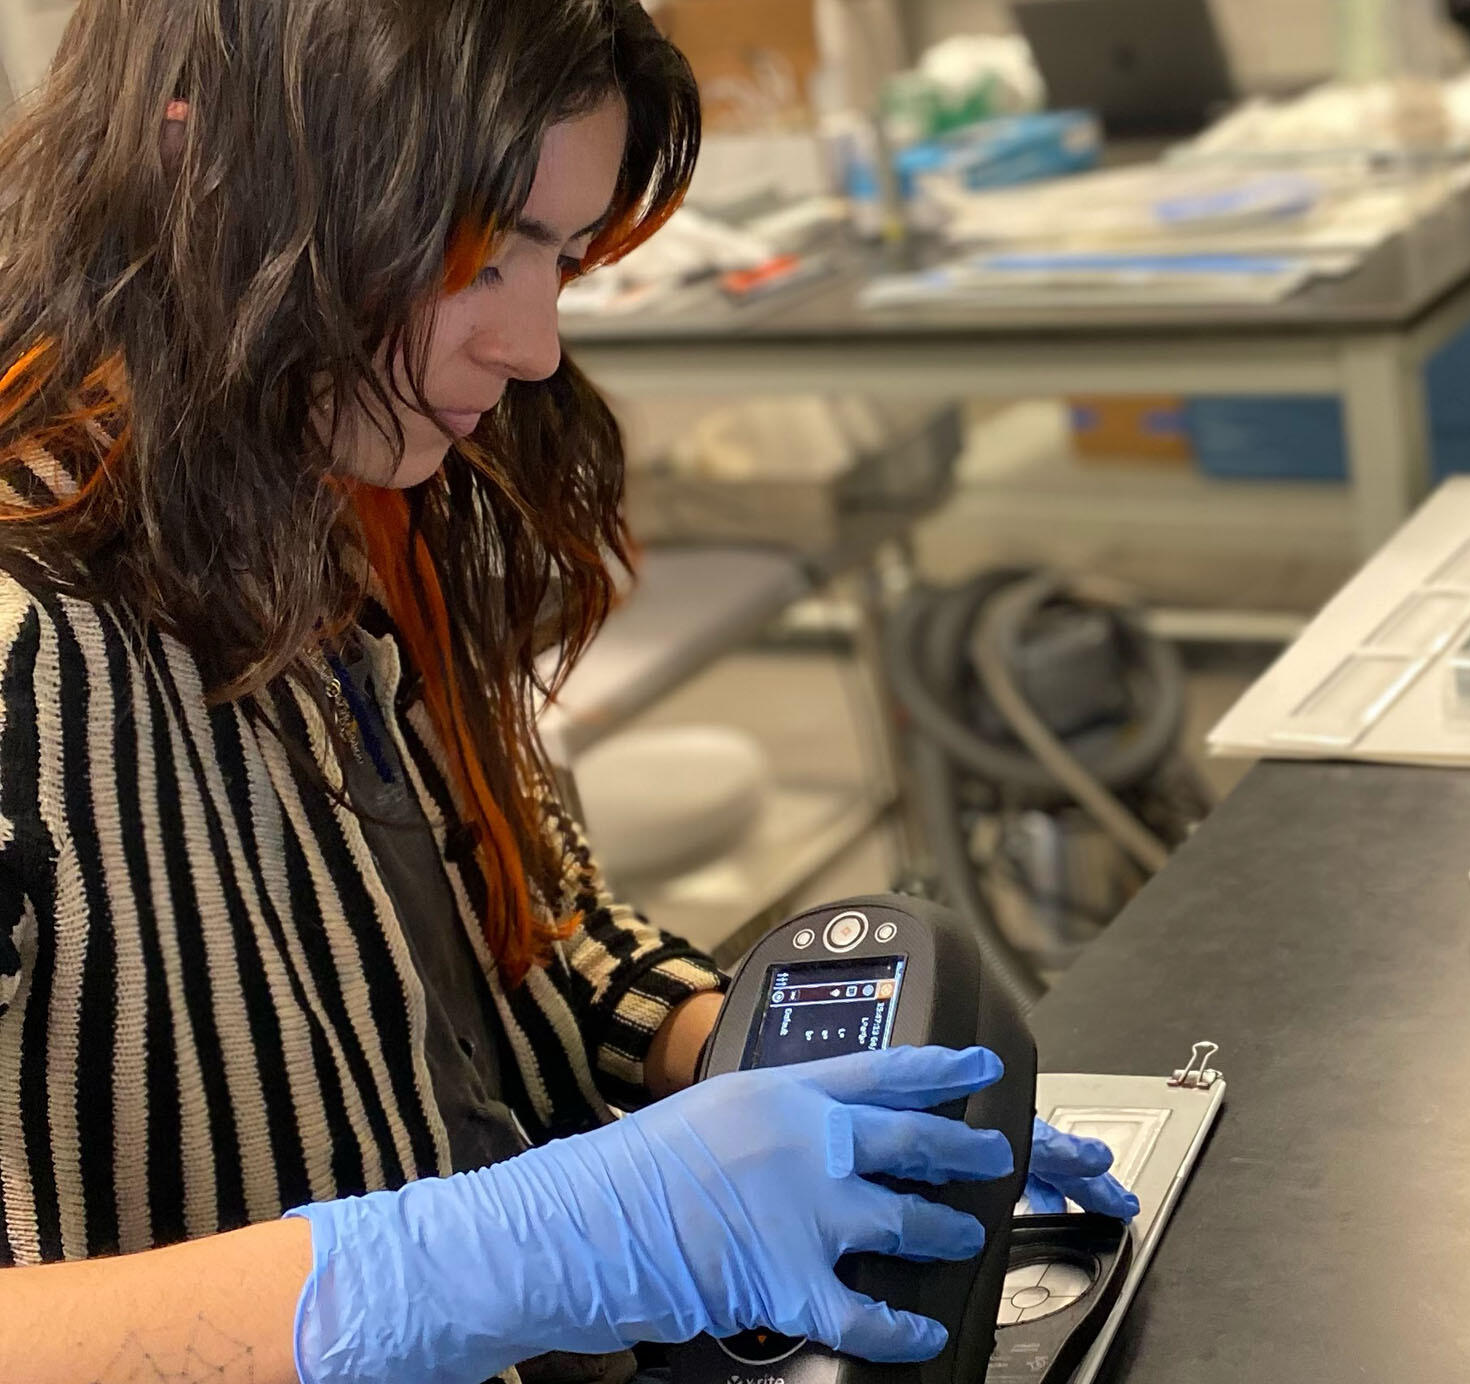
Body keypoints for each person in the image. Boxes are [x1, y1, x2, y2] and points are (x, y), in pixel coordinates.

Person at [0, 3, 1134, 1382]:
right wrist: (502, 1253)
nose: (534, 345)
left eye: (559, 258)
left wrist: (769, 1071)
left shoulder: (336, 493)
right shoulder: (31, 639)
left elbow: (518, 926)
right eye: (478, 256)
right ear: (210, 175)